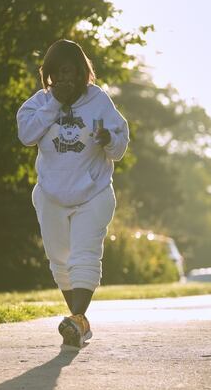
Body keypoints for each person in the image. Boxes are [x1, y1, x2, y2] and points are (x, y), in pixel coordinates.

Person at [16, 39, 129, 348]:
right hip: (51, 195)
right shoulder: (39, 102)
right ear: (49, 75)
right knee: (60, 262)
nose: (66, 80)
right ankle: (78, 322)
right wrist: (54, 103)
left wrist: (108, 139)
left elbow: (120, 145)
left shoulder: (99, 101)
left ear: (83, 73)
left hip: (93, 193)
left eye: (72, 73)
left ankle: (77, 318)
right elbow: (26, 135)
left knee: (83, 256)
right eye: (59, 73)